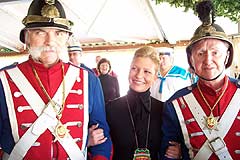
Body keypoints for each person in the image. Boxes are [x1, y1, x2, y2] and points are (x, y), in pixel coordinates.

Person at [0, 0, 112, 159]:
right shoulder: (3, 80)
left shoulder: (88, 80)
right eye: (40, 32)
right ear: (26, 37)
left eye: (58, 33)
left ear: (67, 38)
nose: (50, 41)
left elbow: (102, 139)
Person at [161, 0, 239, 159]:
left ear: (227, 55)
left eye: (215, 52)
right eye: (200, 53)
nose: (208, 60)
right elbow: (167, 154)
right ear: (191, 59)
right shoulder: (176, 103)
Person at [106, 46, 181, 160]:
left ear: (155, 77)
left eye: (147, 71)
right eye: (134, 68)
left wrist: (179, 151)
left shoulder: (164, 110)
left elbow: (176, 142)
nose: (139, 75)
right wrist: (89, 140)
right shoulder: (110, 108)